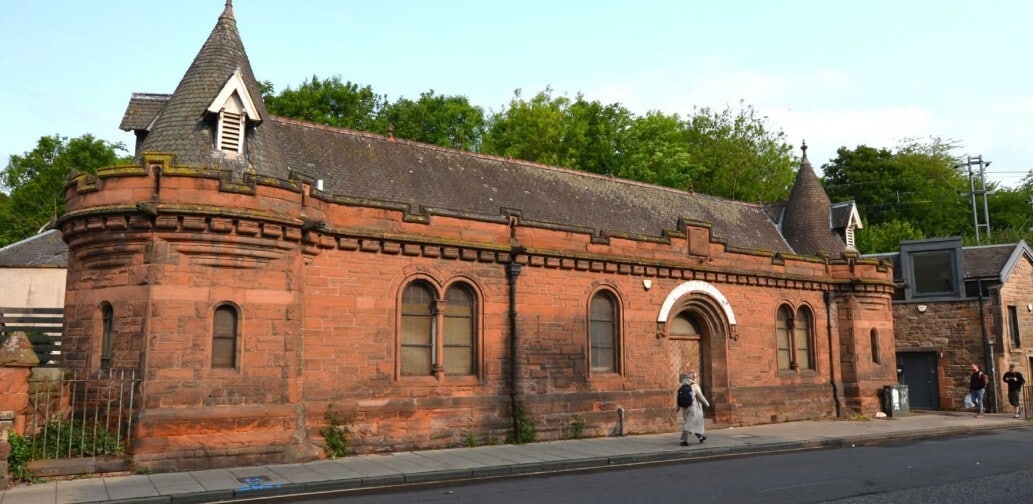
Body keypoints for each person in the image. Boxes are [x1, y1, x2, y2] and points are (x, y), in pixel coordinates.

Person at [676, 372, 710, 446]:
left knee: (693, 423)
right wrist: (707, 404)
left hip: (685, 408)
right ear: (693, 378)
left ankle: (701, 437)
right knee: (689, 424)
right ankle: (684, 440)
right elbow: (700, 396)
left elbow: (679, 399)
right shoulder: (695, 386)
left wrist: (677, 409)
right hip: (694, 408)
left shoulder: (682, 386)